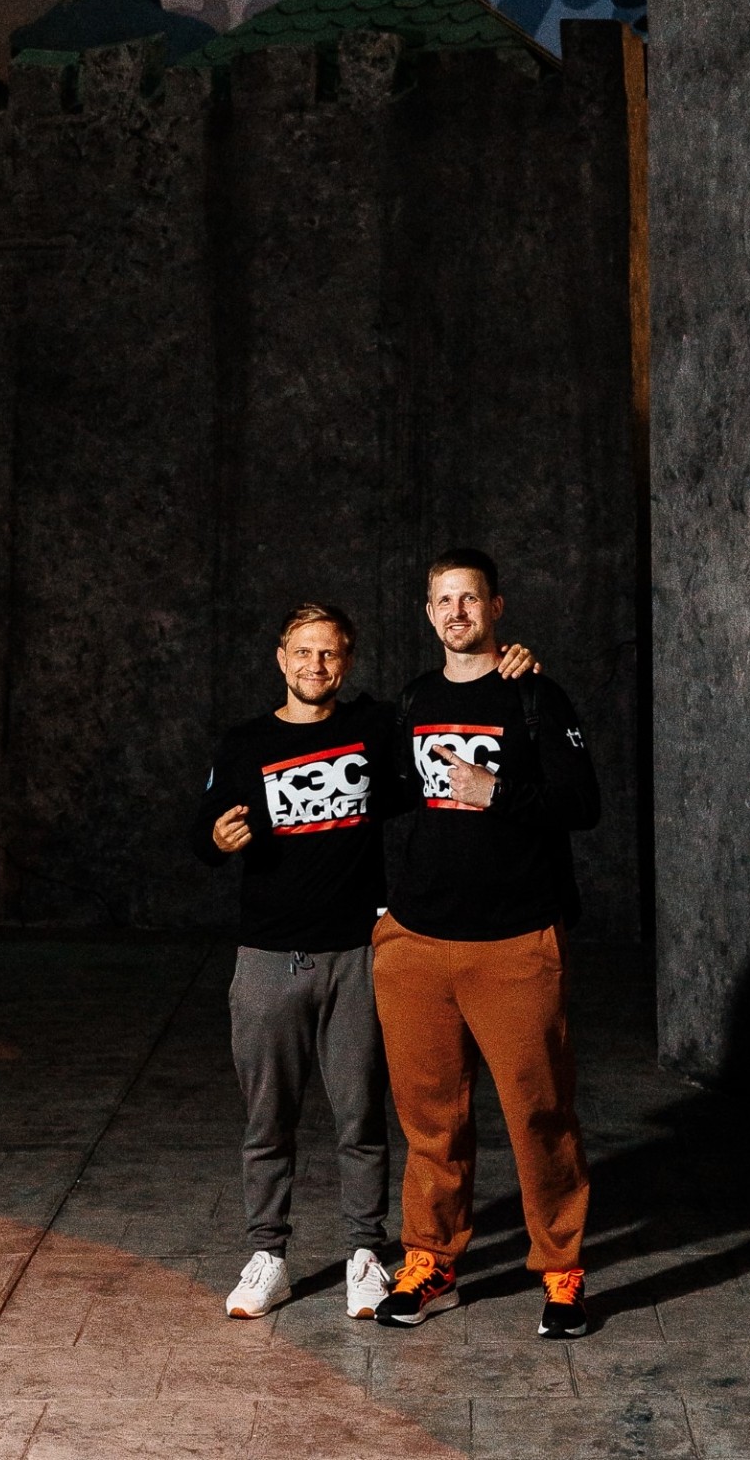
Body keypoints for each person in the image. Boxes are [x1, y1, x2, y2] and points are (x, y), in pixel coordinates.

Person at [192, 599, 539, 1321]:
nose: (315, 665)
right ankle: (268, 1255)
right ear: (281, 659)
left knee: (362, 1117)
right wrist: (215, 840)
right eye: (303, 651)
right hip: (268, 956)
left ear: (346, 663)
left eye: (330, 653)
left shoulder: (375, 727)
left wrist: (513, 664)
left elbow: (451, 705)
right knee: (268, 1119)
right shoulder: (245, 742)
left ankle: (364, 1253)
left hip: (357, 953)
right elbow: (204, 829)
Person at [372, 550, 600, 1341]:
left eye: (470, 598)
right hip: (417, 940)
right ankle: (431, 1263)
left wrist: (495, 791)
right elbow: (387, 797)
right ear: (428, 612)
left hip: (514, 941)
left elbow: (583, 803)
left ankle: (562, 1270)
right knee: (430, 1120)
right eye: (444, 600)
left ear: (496, 607)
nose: (457, 612)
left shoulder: (535, 693)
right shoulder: (414, 699)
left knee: (539, 1114)